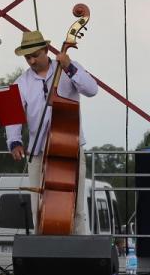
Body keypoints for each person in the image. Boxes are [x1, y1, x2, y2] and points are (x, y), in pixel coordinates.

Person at [6, 30, 99, 234]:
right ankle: (42, 250)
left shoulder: (67, 68)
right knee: (38, 209)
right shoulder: (21, 82)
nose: (31, 61)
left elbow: (92, 89)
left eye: (35, 55)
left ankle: (79, 250)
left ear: (46, 50)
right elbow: (13, 115)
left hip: (69, 150)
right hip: (38, 151)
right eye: (27, 57)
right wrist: (14, 141)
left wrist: (69, 67)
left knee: (76, 208)